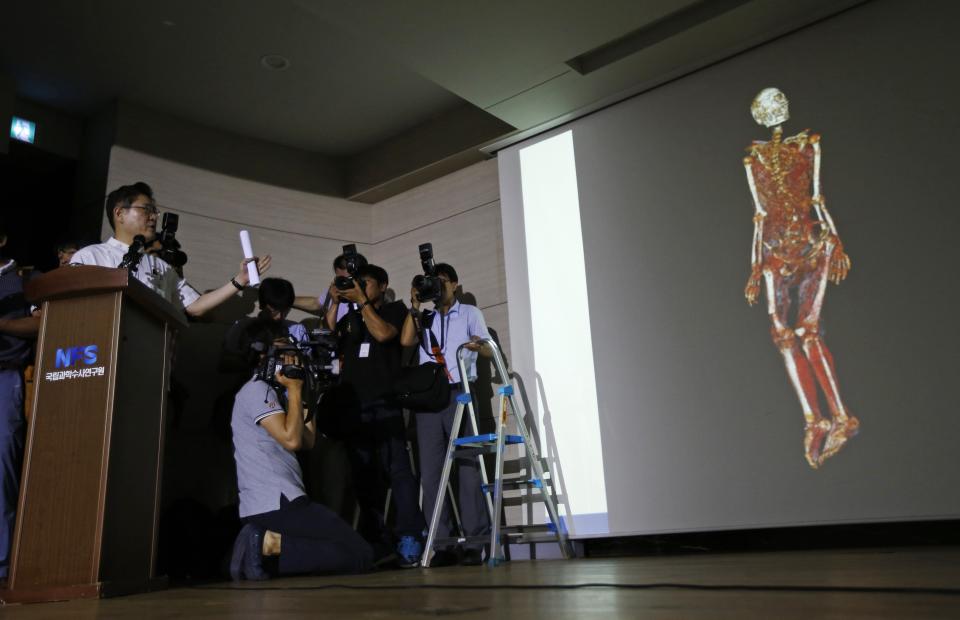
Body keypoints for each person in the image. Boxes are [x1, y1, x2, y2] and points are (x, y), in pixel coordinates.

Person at [742, 88, 857, 469]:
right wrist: (756, 268)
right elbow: (759, 213)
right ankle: (815, 420)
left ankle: (840, 417)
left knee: (808, 330)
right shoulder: (753, 157)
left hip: (812, 242)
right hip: (775, 250)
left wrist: (835, 241)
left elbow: (818, 197)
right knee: (781, 333)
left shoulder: (808, 144)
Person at [229, 318, 372, 580]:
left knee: (347, 553)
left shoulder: (273, 390)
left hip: (281, 500)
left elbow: (307, 441)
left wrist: (306, 392)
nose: (290, 353)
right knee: (360, 554)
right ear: (263, 352)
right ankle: (265, 543)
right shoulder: (256, 391)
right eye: (282, 345)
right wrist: (294, 390)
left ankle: (261, 555)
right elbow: (292, 441)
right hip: (275, 501)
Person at [333, 264, 425, 566]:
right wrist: (336, 301)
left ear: (382, 285)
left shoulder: (395, 310)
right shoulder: (350, 317)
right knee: (362, 478)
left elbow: (385, 335)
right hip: (354, 408)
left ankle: (410, 535)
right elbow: (333, 334)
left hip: (385, 404)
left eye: (366, 283)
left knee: (398, 472)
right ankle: (375, 540)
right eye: (357, 283)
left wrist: (362, 303)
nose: (360, 287)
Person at [400, 263, 492, 566]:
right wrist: (415, 304)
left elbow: (489, 350)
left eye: (441, 282)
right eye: (432, 283)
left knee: (467, 467)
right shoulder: (423, 317)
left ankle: (475, 541)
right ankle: (441, 543)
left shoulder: (469, 313)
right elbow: (405, 341)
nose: (437, 288)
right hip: (429, 399)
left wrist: (477, 346)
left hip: (460, 394)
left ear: (455, 284)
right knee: (431, 471)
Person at [70, 182, 271, 316]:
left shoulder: (159, 265)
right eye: (146, 210)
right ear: (119, 213)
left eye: (155, 212)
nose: (154, 217)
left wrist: (240, 280)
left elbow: (195, 306)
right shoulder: (90, 256)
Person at [0, 224, 40, 582]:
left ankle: (1, 564)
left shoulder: (27, 279)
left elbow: (42, 323)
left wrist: (3, 324)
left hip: (6, 375)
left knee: (2, 472)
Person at [293, 251, 368, 329]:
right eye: (339, 278)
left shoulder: (369, 296)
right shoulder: (336, 288)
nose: (342, 283)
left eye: (345, 279)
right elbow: (316, 303)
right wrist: (287, 299)